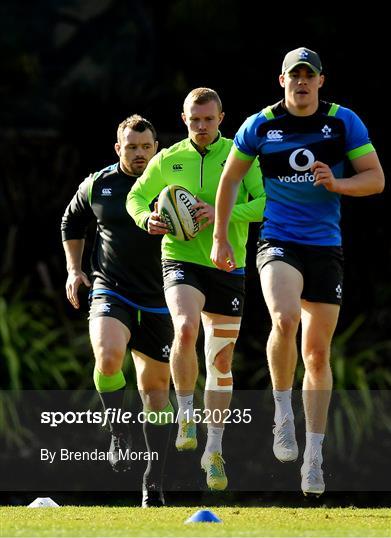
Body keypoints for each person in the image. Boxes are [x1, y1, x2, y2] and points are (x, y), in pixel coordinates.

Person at [210, 47, 385, 496]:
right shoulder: (260, 124)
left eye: (310, 75)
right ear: (282, 80)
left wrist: (338, 183)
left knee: (318, 356)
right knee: (284, 318)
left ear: (321, 81)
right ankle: (282, 413)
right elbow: (230, 179)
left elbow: (375, 178)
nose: (302, 82)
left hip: (325, 247)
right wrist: (220, 237)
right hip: (278, 241)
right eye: (294, 75)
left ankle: (313, 457)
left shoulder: (344, 121)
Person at [127, 88, 265, 491]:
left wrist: (221, 213)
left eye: (208, 119)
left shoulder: (240, 157)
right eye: (194, 120)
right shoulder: (167, 159)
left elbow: (265, 203)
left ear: (222, 117)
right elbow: (137, 196)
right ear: (183, 119)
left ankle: (215, 450)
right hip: (181, 259)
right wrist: (145, 219)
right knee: (185, 328)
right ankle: (186, 412)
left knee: (220, 362)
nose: (201, 126)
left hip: (228, 265)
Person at [61, 114, 174, 507]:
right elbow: (70, 222)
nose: (139, 154)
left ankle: (152, 481)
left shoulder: (173, 184)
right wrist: (75, 271)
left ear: (156, 147)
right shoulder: (99, 184)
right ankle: (117, 430)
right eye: (131, 147)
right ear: (118, 148)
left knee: (155, 392)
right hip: (111, 290)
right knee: (108, 356)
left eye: (146, 147)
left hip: (161, 299)